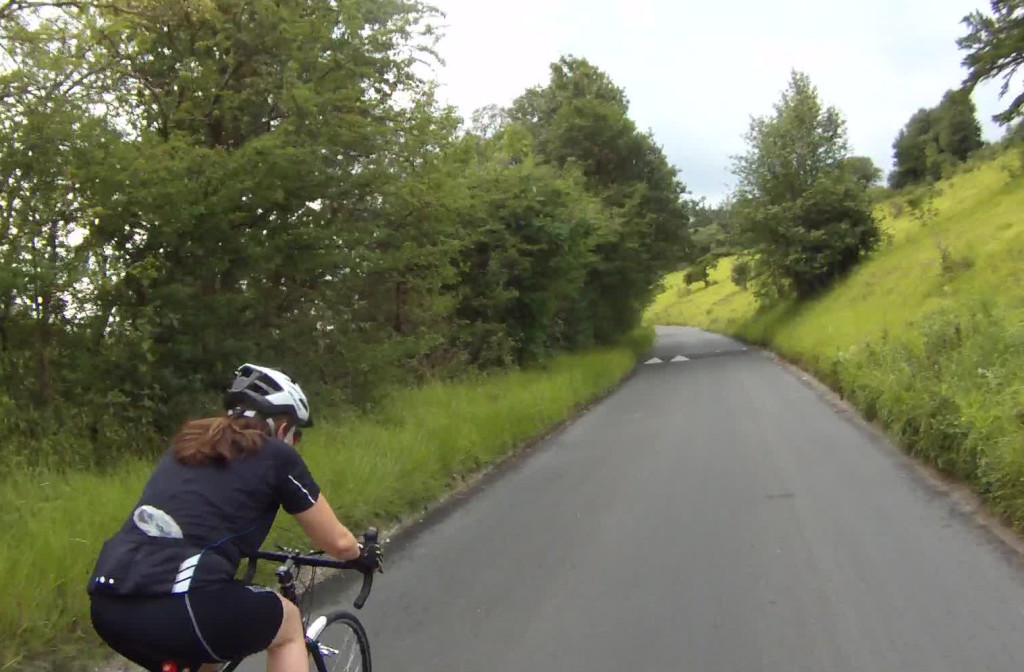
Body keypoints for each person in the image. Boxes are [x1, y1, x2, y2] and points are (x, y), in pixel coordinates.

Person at [88, 363, 380, 672]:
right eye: (296, 436)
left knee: (206, 651)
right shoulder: (276, 455)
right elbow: (338, 542)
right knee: (289, 625)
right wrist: (362, 554)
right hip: (186, 603)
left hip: (109, 605)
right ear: (282, 426)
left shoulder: (185, 447)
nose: (294, 444)